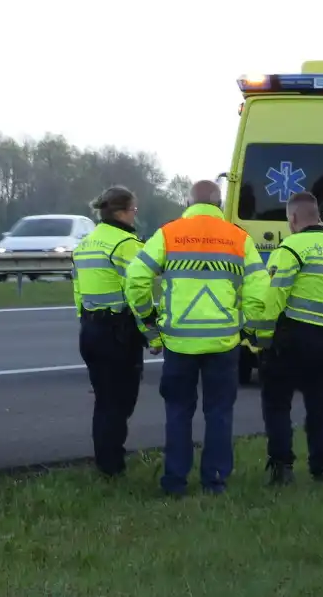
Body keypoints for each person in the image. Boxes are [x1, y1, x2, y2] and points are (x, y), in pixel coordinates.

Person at [125, 179, 269, 495]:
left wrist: (149, 321)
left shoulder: (168, 234)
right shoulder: (239, 238)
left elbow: (135, 279)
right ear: (219, 205)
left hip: (178, 342)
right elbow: (260, 288)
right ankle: (215, 480)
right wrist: (246, 325)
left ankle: (175, 482)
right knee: (219, 413)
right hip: (224, 342)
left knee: (177, 411)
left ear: (188, 204)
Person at [255, 191, 323, 485]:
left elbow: (276, 294)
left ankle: (282, 467)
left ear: (292, 218)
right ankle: (322, 467)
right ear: (319, 216)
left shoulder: (290, 249)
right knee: (321, 406)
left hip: (290, 336)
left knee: (277, 404)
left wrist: (262, 338)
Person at [72, 185, 155, 477]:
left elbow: (78, 291)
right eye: (134, 210)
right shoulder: (126, 245)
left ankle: (106, 461)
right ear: (121, 212)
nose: (135, 216)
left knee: (105, 399)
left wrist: (85, 320)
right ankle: (112, 466)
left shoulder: (86, 243)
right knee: (120, 401)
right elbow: (136, 291)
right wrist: (151, 332)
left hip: (91, 330)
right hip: (117, 332)